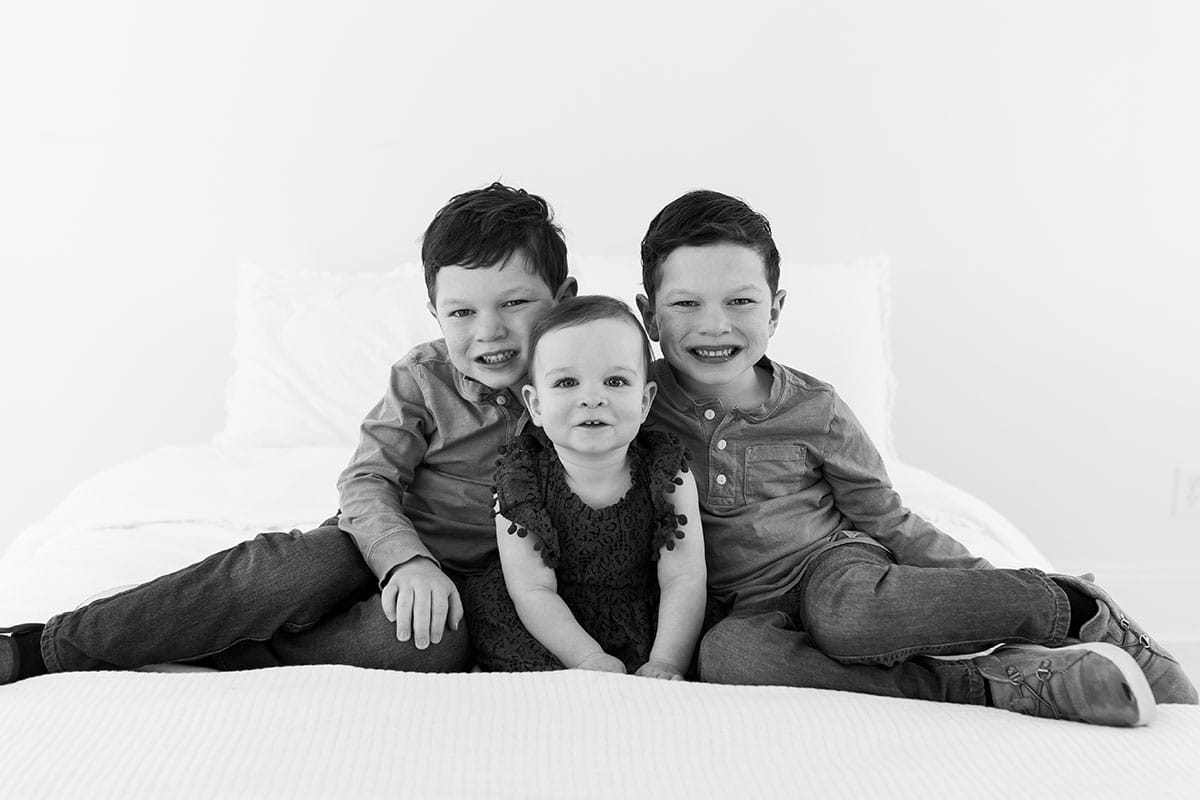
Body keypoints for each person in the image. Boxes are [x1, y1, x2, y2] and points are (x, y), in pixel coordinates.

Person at [633, 189, 1198, 725]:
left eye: (741, 301)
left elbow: (888, 519)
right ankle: (993, 683)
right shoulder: (632, 403)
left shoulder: (815, 408)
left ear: (776, 310)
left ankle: (1072, 605)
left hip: (833, 570)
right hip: (744, 608)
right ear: (651, 316)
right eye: (686, 303)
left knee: (844, 617)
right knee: (728, 659)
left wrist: (990, 583)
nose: (715, 324)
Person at [0, 182, 578, 684]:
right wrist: (405, 560)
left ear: (564, 300)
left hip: (466, 586)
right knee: (299, 570)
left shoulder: (592, 389)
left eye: (516, 302)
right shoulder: (424, 377)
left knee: (429, 645)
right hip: (375, 545)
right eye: (462, 313)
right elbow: (368, 480)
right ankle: (50, 647)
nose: (490, 330)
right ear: (434, 313)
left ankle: (231, 652)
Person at [461, 296, 706, 679]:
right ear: (536, 405)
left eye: (615, 381)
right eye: (567, 382)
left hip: (646, 620)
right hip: (549, 622)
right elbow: (532, 589)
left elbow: (684, 577)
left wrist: (666, 661)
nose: (592, 397)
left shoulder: (667, 470)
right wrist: (587, 658)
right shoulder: (520, 478)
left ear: (644, 402)